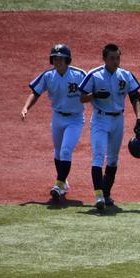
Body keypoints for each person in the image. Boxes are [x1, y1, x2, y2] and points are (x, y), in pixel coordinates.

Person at [78, 43, 140, 211]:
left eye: (118, 58)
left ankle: (106, 194)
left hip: (118, 120)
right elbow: (81, 97)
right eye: (112, 58)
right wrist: (94, 95)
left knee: (113, 159)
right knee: (98, 156)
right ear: (104, 59)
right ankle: (98, 195)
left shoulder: (126, 75)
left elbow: (135, 96)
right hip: (100, 119)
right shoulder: (94, 75)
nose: (116, 61)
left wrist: (139, 118)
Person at [21, 44, 86, 202]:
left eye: (61, 58)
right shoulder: (48, 76)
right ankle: (63, 183)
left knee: (65, 151)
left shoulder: (79, 75)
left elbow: (91, 90)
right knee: (57, 151)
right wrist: (25, 107)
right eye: (55, 58)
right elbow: (35, 93)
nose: (58, 61)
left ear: (67, 60)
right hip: (57, 117)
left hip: (75, 118)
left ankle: (58, 185)